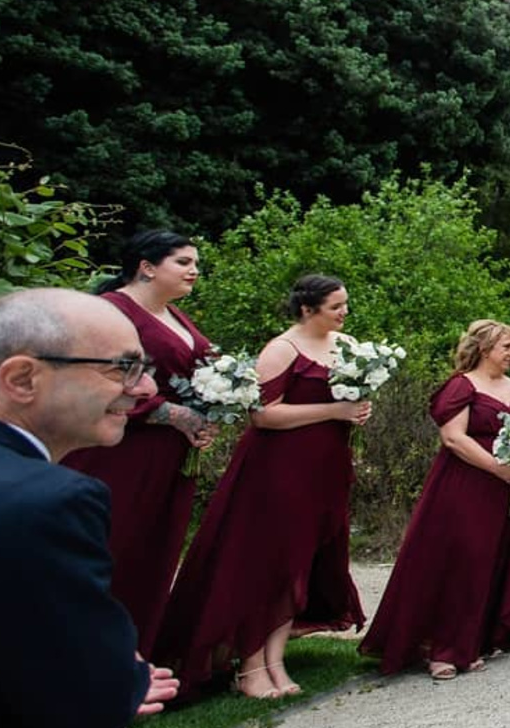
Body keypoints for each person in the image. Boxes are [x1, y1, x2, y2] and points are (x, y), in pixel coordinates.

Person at [0, 288, 281, 728]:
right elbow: (85, 711)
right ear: (22, 378)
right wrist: (123, 682)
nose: (143, 389)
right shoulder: (47, 500)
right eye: (121, 368)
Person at [155, 274, 370, 700]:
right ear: (307, 309)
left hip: (327, 465)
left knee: (299, 561)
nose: (344, 312)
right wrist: (334, 411)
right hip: (279, 466)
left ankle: (275, 659)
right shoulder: (282, 349)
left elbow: (349, 400)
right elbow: (263, 415)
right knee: (268, 561)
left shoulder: (346, 346)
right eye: (335, 306)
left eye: (345, 304)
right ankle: (250, 666)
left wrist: (357, 411)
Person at [61, 229, 220, 653]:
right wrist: (172, 414)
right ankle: (87, 655)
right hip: (120, 450)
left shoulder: (175, 315)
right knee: (115, 546)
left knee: (153, 552)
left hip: (171, 455)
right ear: (147, 267)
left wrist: (214, 408)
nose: (194, 271)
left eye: (196, 263)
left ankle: (135, 654)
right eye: (183, 262)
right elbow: (91, 379)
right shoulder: (111, 311)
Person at [362, 320, 510, 678]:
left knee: (493, 560)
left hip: (509, 489)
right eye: (506, 347)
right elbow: (454, 437)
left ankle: (474, 641)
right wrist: (497, 467)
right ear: (484, 349)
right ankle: (442, 648)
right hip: (466, 484)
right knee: (462, 561)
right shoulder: (462, 385)